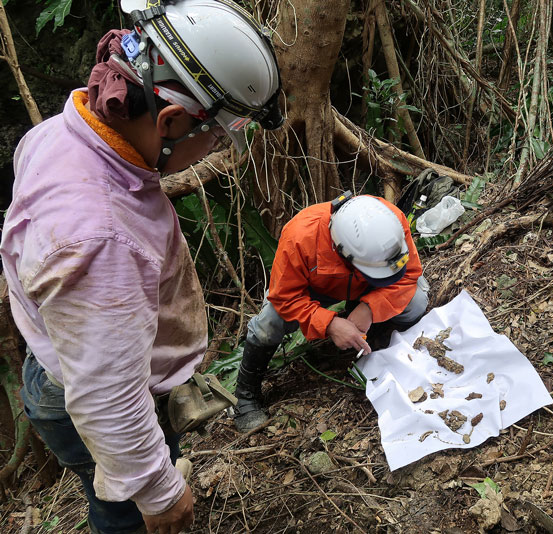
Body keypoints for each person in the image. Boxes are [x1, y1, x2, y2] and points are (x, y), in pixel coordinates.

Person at [0, 1, 282, 532]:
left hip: (60, 362)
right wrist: (160, 492)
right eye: (217, 136)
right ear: (171, 120)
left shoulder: (60, 135)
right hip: (102, 399)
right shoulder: (99, 236)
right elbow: (108, 396)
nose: (215, 148)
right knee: (125, 513)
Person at [234, 191, 430, 432]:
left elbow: (409, 274)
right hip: (317, 289)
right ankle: (246, 394)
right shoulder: (300, 237)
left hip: (366, 286)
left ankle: (374, 337)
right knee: (269, 323)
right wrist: (329, 323)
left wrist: (368, 308)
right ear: (341, 252)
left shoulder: (391, 220)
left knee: (416, 302)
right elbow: (285, 297)